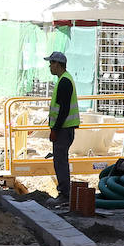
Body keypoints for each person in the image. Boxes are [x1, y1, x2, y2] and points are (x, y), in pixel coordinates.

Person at [46, 50, 80, 205]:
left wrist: (55, 129)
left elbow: (64, 109)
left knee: (60, 161)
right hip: (64, 129)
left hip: (63, 130)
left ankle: (65, 194)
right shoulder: (63, 80)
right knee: (60, 160)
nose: (49, 66)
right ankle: (65, 193)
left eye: (51, 63)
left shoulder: (64, 81)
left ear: (58, 64)